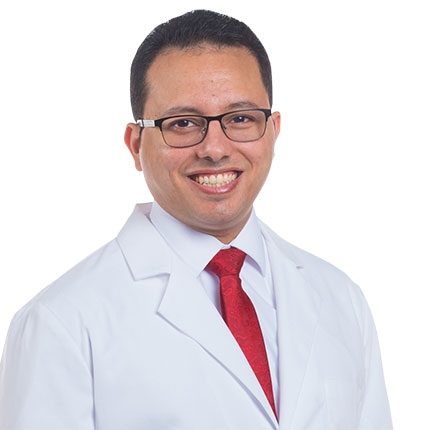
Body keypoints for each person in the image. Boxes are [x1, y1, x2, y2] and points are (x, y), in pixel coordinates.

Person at [0, 9, 392, 430]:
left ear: (273, 131)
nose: (215, 149)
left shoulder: (341, 298)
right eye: (183, 123)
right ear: (136, 144)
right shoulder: (61, 323)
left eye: (240, 118)